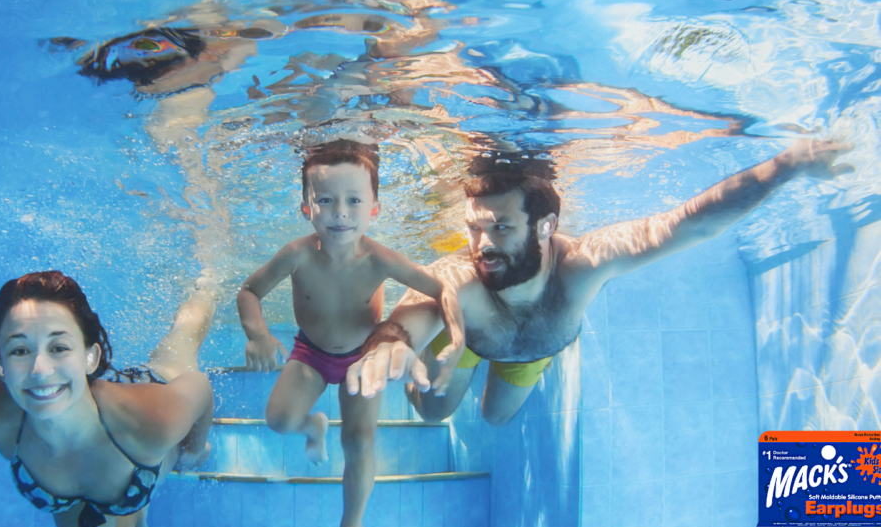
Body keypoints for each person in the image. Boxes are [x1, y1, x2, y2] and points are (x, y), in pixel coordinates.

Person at [345, 138, 852, 425]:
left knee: (496, 417)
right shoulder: (461, 279)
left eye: (500, 227)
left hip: (533, 349)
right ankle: (466, 356)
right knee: (433, 416)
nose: (482, 246)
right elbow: (409, 316)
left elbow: (689, 222)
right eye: (474, 228)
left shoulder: (584, 265)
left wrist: (786, 166)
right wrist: (386, 342)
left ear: (546, 226)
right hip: (470, 335)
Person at [237, 139, 464, 527]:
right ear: (306, 207)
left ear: (374, 208)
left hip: (364, 359)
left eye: (354, 201)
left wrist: (457, 338)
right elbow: (249, 291)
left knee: (359, 443)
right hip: (311, 354)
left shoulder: (380, 258)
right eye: (325, 200)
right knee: (278, 419)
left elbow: (442, 289)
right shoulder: (296, 254)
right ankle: (313, 427)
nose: (340, 212)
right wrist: (257, 333)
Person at [0, 271, 216, 527]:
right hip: (95, 448)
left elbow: (201, 388)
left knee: (181, 339)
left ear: (91, 357)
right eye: (19, 350)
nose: (39, 370)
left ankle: (207, 284)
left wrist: (193, 450)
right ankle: (135, 516)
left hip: (136, 403)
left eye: (59, 347)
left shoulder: (155, 419)